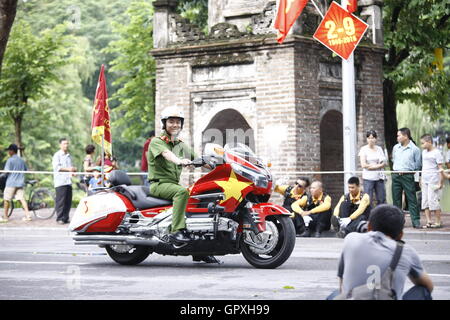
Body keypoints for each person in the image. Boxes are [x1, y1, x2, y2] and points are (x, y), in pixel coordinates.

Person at [148, 106, 219, 264]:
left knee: (200, 198)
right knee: (181, 192)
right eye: (171, 121)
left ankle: (199, 249)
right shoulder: (157, 142)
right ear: (164, 124)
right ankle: (176, 232)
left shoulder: (180, 145)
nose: (175, 125)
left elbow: (199, 159)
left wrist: (219, 165)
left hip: (172, 184)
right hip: (159, 184)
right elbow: (168, 155)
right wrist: (179, 161)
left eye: (178, 122)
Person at [328, 204, 433, 300]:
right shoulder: (405, 251)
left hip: (354, 297)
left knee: (335, 294)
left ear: (369, 227)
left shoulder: (351, 239)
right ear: (400, 235)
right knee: (423, 291)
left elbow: (342, 286)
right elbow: (428, 286)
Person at [391, 128, 422, 229]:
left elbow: (418, 165)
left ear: (405, 136)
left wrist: (408, 172)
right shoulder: (396, 147)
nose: (397, 137)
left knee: (412, 199)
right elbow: (393, 160)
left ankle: (416, 221)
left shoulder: (415, 149)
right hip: (396, 176)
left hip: (408, 176)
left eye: (399, 135)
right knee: (396, 200)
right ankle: (397, 222)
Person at [1, 144, 32, 223]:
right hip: (20, 183)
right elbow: (26, 170)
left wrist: (1, 174)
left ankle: (5, 217)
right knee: (22, 199)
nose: (8, 152)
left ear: (12, 151)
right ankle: (28, 215)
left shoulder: (10, 160)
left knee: (6, 199)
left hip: (11, 183)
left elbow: (6, 172)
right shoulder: (21, 160)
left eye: (9, 150)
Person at [420, 134, 445, 229]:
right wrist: (421, 178)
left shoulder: (437, 153)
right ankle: (429, 221)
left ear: (429, 142)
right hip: (425, 180)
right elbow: (423, 166)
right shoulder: (424, 152)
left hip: (433, 180)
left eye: (423, 143)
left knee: (433, 201)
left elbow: (440, 169)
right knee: (425, 201)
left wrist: (440, 183)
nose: (422, 145)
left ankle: (438, 222)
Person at [358, 130, 386, 205]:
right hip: (368, 178)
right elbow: (363, 165)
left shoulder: (379, 149)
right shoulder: (363, 149)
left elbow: (383, 163)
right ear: (367, 139)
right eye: (369, 138)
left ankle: (380, 215)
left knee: (381, 198)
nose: (371, 140)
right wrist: (378, 165)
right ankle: (368, 216)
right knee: (368, 200)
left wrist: (371, 166)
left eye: (373, 138)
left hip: (379, 177)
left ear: (376, 139)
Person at [52, 138, 77, 225]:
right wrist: (69, 169)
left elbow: (69, 168)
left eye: (67, 144)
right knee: (60, 201)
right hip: (60, 181)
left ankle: (65, 218)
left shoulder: (69, 156)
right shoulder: (57, 155)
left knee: (68, 201)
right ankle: (59, 218)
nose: (66, 145)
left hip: (68, 181)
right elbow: (57, 168)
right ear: (60, 145)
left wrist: (72, 171)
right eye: (64, 144)